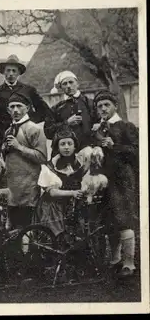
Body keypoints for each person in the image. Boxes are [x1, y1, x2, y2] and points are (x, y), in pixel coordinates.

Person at [90, 90, 139, 278]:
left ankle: (129, 263)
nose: (103, 109)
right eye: (99, 106)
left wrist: (114, 147)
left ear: (115, 106)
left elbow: (136, 152)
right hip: (103, 179)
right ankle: (115, 259)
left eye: (106, 105)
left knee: (123, 217)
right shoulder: (96, 130)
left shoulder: (126, 126)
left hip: (122, 178)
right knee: (109, 220)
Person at [1, 92, 48, 230]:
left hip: (29, 188)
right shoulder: (8, 130)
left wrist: (19, 147)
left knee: (27, 228)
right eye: (12, 107)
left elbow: (42, 157)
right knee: (13, 229)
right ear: (8, 110)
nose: (15, 110)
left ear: (27, 108)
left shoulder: (34, 129)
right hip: (13, 188)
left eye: (19, 106)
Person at [34, 130, 89, 237]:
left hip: (73, 204)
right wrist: (72, 193)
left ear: (74, 146)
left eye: (70, 144)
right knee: (58, 236)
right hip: (53, 206)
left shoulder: (80, 163)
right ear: (57, 147)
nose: (66, 147)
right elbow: (52, 192)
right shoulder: (50, 166)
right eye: (62, 144)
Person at [0, 54, 53, 139]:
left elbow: (44, 110)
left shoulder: (28, 90)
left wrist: (31, 120)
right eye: (8, 70)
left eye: (14, 71)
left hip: (26, 134)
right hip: (4, 135)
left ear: (19, 73)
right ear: (4, 72)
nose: (11, 74)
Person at [44, 71, 98, 156]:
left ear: (77, 84)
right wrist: (67, 123)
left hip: (88, 151)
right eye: (65, 84)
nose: (68, 86)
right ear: (61, 87)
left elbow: (101, 123)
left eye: (71, 82)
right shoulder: (56, 108)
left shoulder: (90, 103)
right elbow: (48, 132)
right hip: (64, 154)